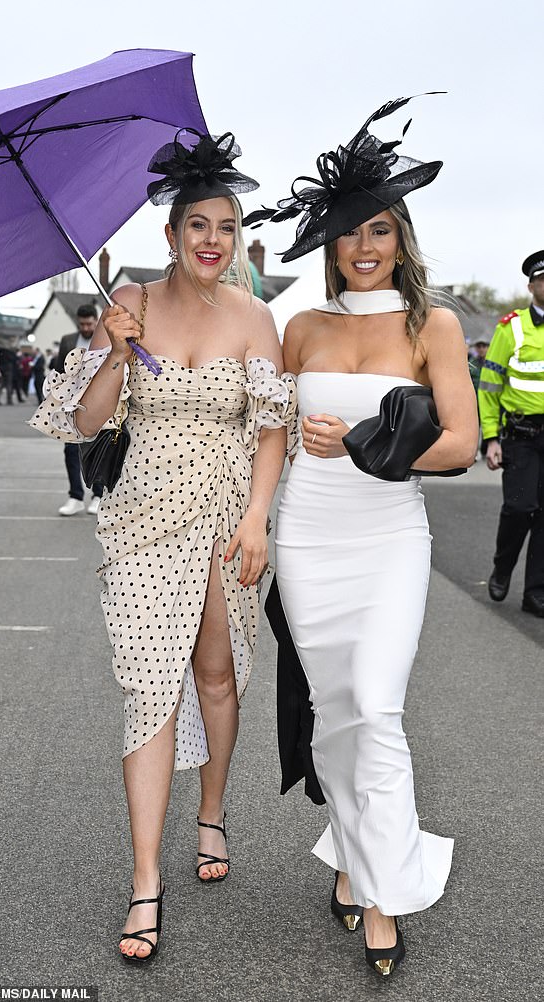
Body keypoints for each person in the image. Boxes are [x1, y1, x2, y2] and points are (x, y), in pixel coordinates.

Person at [29, 129, 294, 964]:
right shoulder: (131, 304)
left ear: (237, 235)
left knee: (217, 673)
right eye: (196, 226)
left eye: (225, 225)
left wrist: (257, 519)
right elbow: (84, 422)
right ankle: (146, 881)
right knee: (150, 688)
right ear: (170, 235)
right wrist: (113, 346)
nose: (211, 240)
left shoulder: (256, 316)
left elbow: (272, 428)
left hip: (225, 515)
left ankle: (211, 809)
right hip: (143, 518)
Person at [247, 97, 478, 977]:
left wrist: (380, 449)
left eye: (380, 228)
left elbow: (457, 441)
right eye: (349, 233)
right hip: (308, 535)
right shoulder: (300, 326)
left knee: (374, 707)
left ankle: (382, 893)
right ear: (329, 245)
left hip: (388, 539)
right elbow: (266, 428)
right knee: (336, 711)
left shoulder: (433, 325)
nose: (365, 245)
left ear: (400, 237)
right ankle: (350, 853)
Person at [479, 249, 544, 617]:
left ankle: (535, 592)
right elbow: (489, 385)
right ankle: (502, 568)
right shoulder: (511, 327)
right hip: (521, 434)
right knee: (520, 508)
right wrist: (490, 438)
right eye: (543, 279)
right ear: (532, 285)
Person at [52, 303, 105, 515]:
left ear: (96, 321)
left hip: (100, 403)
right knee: (71, 451)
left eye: (89, 324)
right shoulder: (68, 341)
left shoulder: (107, 338)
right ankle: (75, 496)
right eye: (82, 324)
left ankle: (99, 495)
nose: (85, 328)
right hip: (72, 404)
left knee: (98, 451)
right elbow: (58, 370)